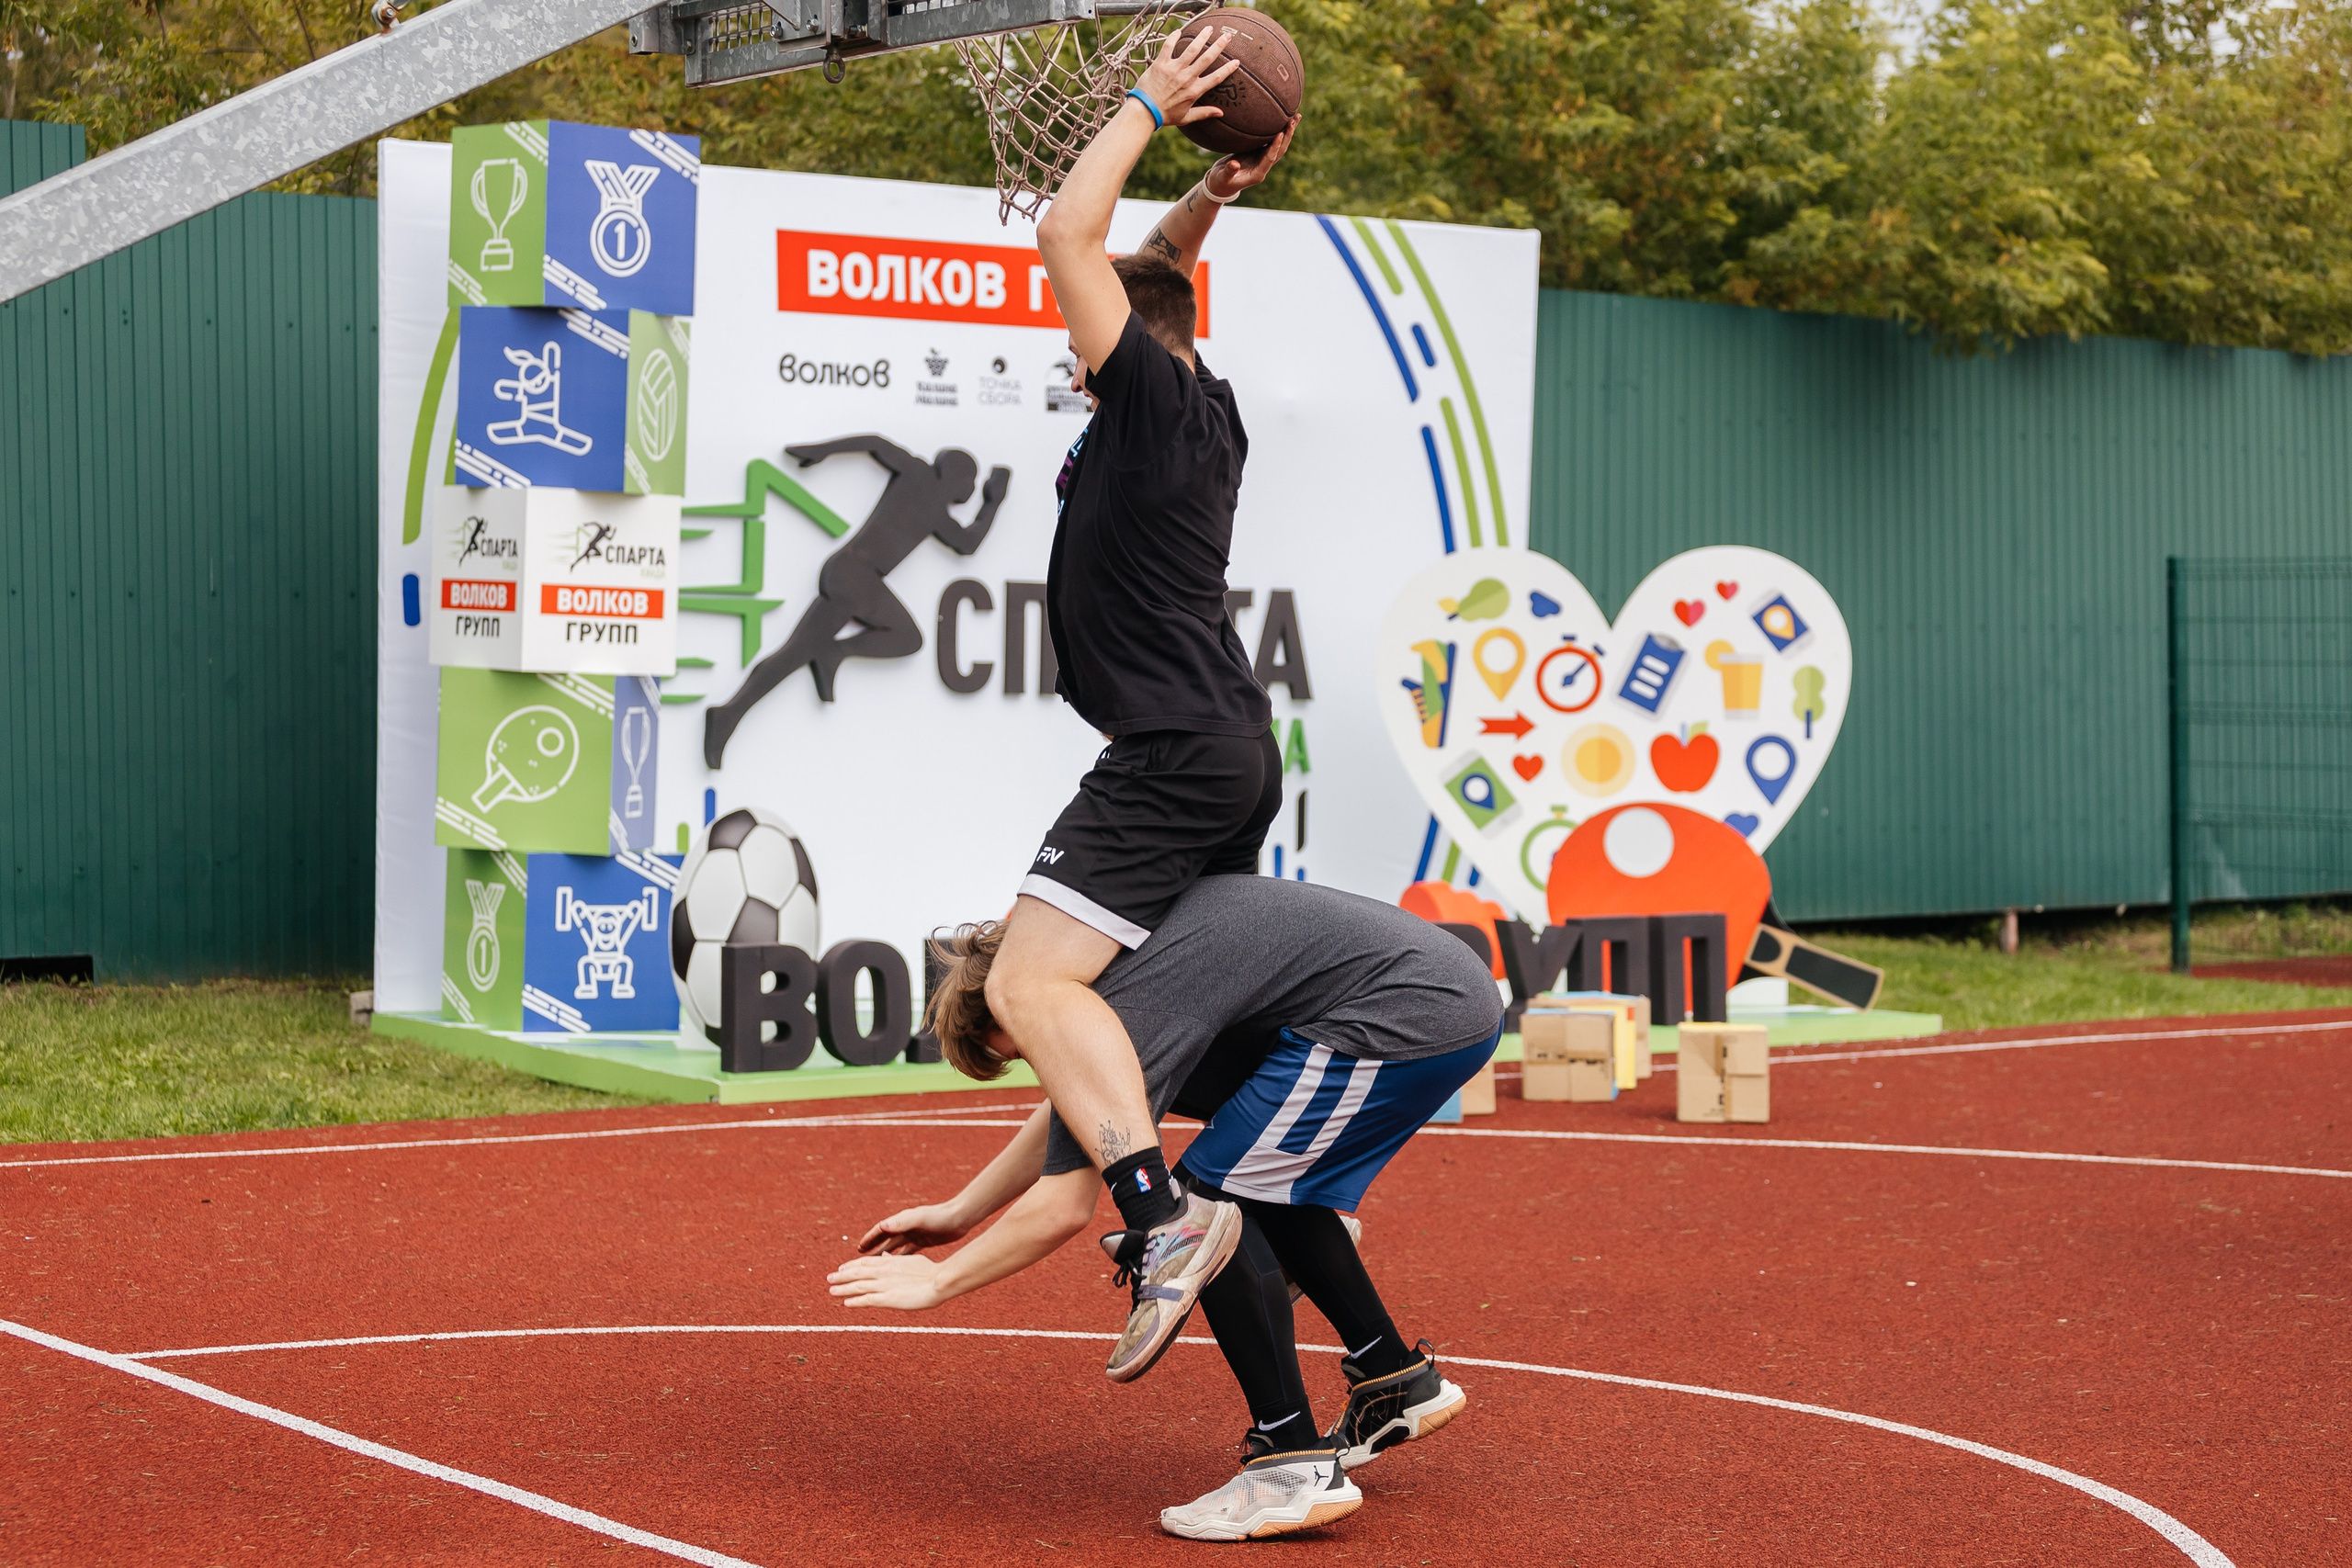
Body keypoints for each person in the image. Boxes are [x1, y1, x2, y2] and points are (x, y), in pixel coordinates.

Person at [977, 25, 1306, 1384]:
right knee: (1154, 1009)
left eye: (1088, 332)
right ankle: (1341, 1335)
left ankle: (1157, 1216)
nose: (1071, 351)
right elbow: (1146, 273)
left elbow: (1071, 229)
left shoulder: (1155, 400)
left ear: (1126, 340)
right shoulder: (1189, 395)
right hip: (1220, 748)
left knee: (1021, 977)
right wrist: (1215, 192)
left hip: (1171, 755)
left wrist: (1151, 104)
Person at [828, 875, 1501, 1540]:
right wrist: (960, 1210)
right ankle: (1393, 1379)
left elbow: (1065, 1200)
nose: (1042, 1063)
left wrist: (943, 1279)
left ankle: (1290, 1464)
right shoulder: (1113, 960)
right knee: (1257, 1182)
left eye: (1028, 1050)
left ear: (1015, 1008)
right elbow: (1079, 1105)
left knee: (1201, 1212)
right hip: (1439, 997)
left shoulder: (1130, 999)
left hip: (1410, 1010)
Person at [702, 437, 1008, 764]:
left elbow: (966, 543)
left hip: (854, 576)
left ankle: (738, 708)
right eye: (970, 481)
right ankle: (827, 656)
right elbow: (875, 445)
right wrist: (993, 502)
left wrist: (823, 452)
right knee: (897, 639)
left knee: (800, 651)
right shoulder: (919, 475)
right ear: (955, 476)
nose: (972, 489)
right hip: (857, 577)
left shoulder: (935, 511)